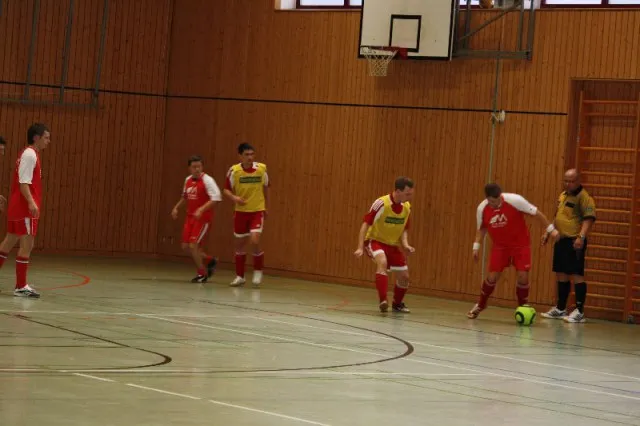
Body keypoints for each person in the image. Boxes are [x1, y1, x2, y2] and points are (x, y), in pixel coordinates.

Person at [467, 183, 558, 319]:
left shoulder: (515, 200)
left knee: (523, 276)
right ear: (487, 199)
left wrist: (551, 230)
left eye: (496, 201)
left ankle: (522, 307)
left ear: (500, 196)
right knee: (492, 277)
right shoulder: (482, 208)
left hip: (520, 245)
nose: (494, 204)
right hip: (500, 246)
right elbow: (481, 228)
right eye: (491, 202)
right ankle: (481, 304)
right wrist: (476, 246)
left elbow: (536, 213)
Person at [0, 123, 51, 298]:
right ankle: (21, 286)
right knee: (27, 244)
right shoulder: (30, 154)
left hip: (17, 206)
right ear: (36, 138)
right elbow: (23, 183)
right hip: (23, 207)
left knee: (8, 242)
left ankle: (21, 285)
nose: (48, 141)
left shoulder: (28, 154)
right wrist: (31, 202)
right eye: (46, 137)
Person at [541, 169, 596, 323]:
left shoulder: (584, 197)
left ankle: (579, 311)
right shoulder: (563, 195)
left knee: (576, 273)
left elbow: (588, 219)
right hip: (561, 239)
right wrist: (548, 232)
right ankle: (560, 308)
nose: (568, 184)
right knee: (561, 273)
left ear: (578, 181)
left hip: (574, 241)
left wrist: (581, 237)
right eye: (566, 180)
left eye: (571, 181)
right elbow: (558, 216)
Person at [354, 177, 415, 313]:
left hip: (392, 245)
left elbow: (404, 229)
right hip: (375, 241)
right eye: (407, 194)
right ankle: (383, 301)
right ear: (398, 191)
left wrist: (406, 245)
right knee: (382, 262)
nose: (410, 197)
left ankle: (397, 304)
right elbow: (365, 225)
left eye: (411, 194)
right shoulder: (381, 203)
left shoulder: (407, 207)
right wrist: (360, 247)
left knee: (404, 277)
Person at [223, 143, 270, 287]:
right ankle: (240, 276)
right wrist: (235, 198)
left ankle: (258, 271)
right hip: (240, 212)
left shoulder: (261, 169)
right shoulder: (234, 171)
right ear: (240, 156)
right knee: (239, 245)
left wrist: (266, 206)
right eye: (246, 155)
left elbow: (266, 187)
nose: (250, 157)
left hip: (257, 211)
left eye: (252, 154)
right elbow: (226, 190)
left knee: (254, 241)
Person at [171, 155, 221, 283]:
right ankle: (210, 260)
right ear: (189, 168)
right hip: (190, 217)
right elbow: (185, 197)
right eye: (194, 167)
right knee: (186, 247)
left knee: (193, 245)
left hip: (202, 218)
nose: (197, 169)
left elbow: (216, 198)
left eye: (199, 166)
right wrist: (176, 208)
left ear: (202, 167)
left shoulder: (208, 180)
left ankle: (202, 273)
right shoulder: (187, 180)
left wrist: (201, 209)